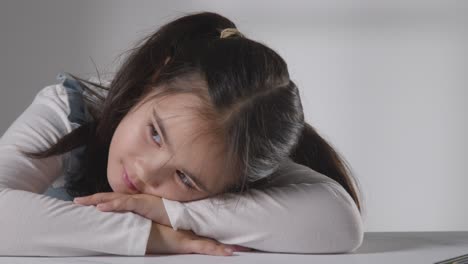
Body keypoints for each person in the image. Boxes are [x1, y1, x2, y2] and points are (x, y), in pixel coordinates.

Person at [0, 11, 365, 257]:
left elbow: (340, 224)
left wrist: (175, 214)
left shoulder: (235, 151)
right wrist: (151, 236)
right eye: (156, 134)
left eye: (185, 178)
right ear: (156, 77)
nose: (146, 172)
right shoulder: (70, 109)